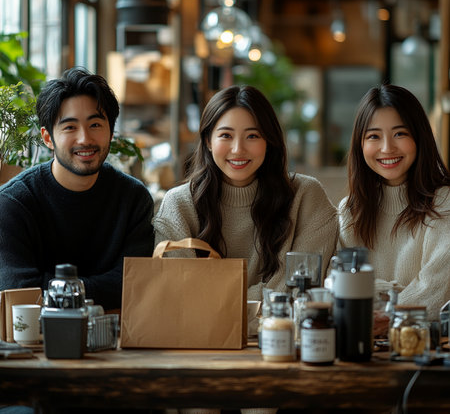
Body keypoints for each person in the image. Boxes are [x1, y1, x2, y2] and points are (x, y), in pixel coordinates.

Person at [154, 85, 338, 303]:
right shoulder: (179, 204)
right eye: (226, 135)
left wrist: (220, 304)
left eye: (252, 136)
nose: (238, 149)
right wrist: (261, 301)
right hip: (201, 337)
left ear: (269, 142)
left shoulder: (306, 196)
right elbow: (180, 293)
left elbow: (301, 291)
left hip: (284, 333)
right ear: (208, 141)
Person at [0, 67, 154, 310]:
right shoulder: (13, 203)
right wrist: (99, 289)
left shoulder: (133, 198)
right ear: (48, 137)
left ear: (111, 132)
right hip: (36, 344)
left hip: (120, 341)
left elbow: (135, 283)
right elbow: (19, 291)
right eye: (70, 127)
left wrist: (54, 289)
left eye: (95, 124)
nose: (84, 139)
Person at [339, 83, 450, 331]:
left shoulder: (444, 201)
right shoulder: (349, 211)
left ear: (419, 136)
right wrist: (398, 292)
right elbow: (340, 287)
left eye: (400, 133)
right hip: (361, 348)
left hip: (423, 351)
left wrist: (376, 298)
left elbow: (436, 290)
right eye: (374, 136)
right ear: (360, 144)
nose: (387, 148)